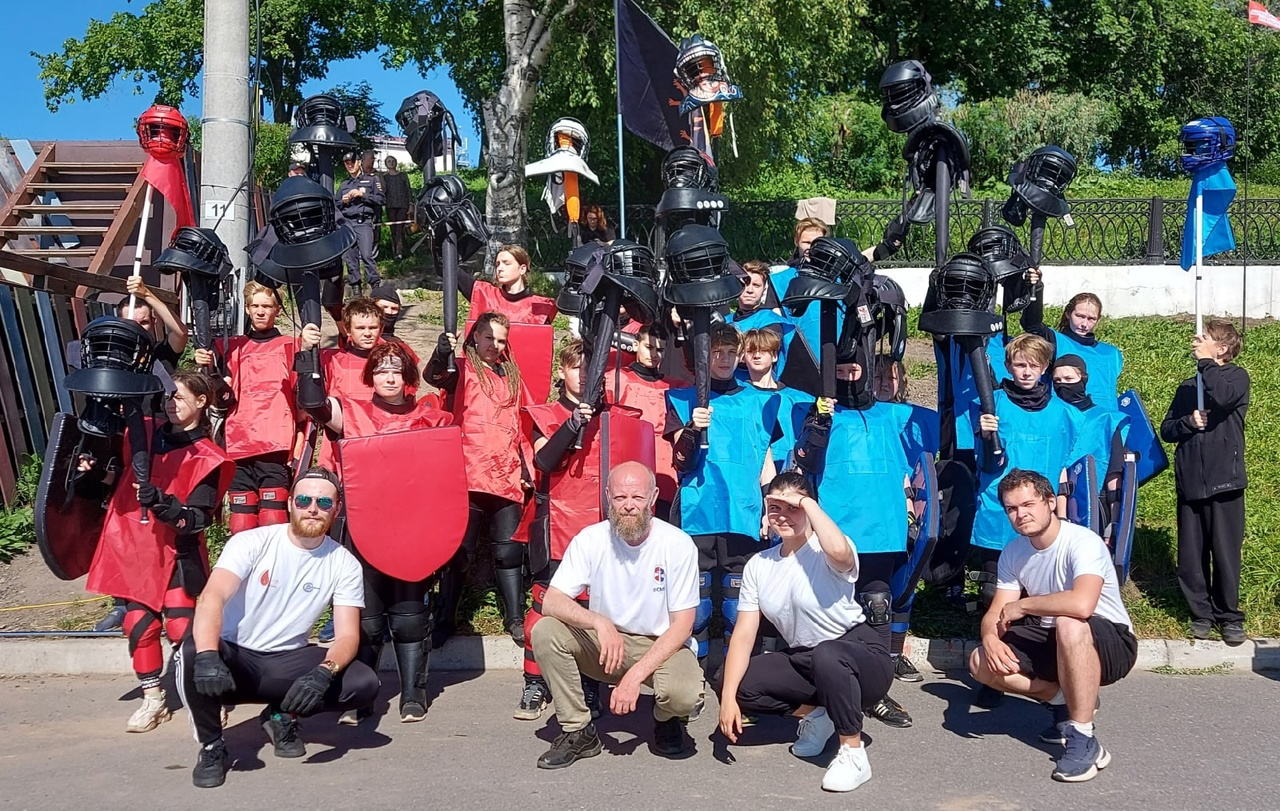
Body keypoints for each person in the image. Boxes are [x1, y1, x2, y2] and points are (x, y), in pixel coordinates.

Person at [174, 467, 379, 789]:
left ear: (337, 509)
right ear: (290, 503)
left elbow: (348, 635)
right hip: (235, 658)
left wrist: (324, 672)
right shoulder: (251, 542)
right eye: (304, 500)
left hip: (287, 661)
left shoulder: (344, 563)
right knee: (191, 652)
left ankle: (281, 715)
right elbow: (212, 596)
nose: (313, 508)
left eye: (324, 502)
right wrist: (209, 654)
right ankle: (212, 745)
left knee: (363, 683)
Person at [295, 337, 453, 722]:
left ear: (408, 377)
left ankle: (413, 695)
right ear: (371, 376)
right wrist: (310, 356)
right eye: (381, 370)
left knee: (410, 616)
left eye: (396, 370)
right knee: (365, 618)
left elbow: (444, 477)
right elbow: (314, 404)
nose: (389, 377)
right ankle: (359, 696)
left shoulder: (431, 418)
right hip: (363, 528)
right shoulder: (350, 412)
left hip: (413, 531)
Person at [718, 472, 893, 793]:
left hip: (861, 657)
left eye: (793, 508)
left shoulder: (825, 548)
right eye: (775, 507)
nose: (783, 515)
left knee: (828, 654)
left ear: (809, 507)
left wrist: (807, 503)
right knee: (732, 680)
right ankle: (821, 716)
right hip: (807, 659)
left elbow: (839, 552)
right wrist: (728, 698)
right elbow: (743, 634)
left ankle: (853, 752)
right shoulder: (759, 564)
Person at [82, 371, 235, 732]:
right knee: (138, 624)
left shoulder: (209, 457)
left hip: (178, 553)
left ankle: (208, 696)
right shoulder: (143, 435)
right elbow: (122, 484)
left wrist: (163, 503)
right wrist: (96, 473)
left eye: (179, 397)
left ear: (201, 402)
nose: (170, 403)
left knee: (184, 628)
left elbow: (197, 519)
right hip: (137, 550)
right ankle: (154, 700)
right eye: (168, 396)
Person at [529, 462, 704, 769]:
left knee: (685, 695)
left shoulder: (677, 544)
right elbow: (553, 600)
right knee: (545, 630)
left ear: (654, 497)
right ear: (608, 496)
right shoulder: (590, 539)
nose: (628, 506)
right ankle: (577, 730)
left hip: (660, 643)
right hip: (606, 645)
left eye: (637, 497)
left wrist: (633, 678)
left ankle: (667, 719)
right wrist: (598, 622)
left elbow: (682, 626)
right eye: (620, 497)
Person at [967, 468, 1137, 783]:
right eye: (1012, 508)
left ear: (1050, 502)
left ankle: (1083, 738)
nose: (1020, 514)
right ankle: (1064, 702)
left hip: (1110, 641)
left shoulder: (1082, 542)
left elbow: (1082, 604)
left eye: (1028, 504)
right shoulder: (1014, 551)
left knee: (1070, 623)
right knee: (980, 662)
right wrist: (989, 637)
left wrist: (1024, 605)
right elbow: (996, 612)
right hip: (1054, 638)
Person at [793, 354, 916, 727]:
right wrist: (819, 423)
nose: (848, 377)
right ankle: (827, 688)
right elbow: (806, 460)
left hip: (881, 528)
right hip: (837, 527)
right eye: (841, 372)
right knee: (832, 609)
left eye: (854, 371)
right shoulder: (816, 414)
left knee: (878, 607)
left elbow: (909, 468)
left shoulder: (892, 415)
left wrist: (911, 511)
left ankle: (876, 691)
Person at [664, 324, 780, 681]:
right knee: (696, 607)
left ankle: (735, 680)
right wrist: (692, 428)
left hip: (743, 512)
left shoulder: (760, 401)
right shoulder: (683, 399)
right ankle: (692, 677)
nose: (725, 359)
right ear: (704, 357)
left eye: (731, 352)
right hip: (697, 509)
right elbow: (679, 460)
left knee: (737, 605)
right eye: (717, 352)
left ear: (740, 354)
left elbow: (765, 459)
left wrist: (771, 505)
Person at [88, 277, 190, 632]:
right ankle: (123, 601)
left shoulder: (160, 356)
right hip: (126, 447)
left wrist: (148, 295)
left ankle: (165, 595)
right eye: (131, 324)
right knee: (122, 525)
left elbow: (180, 333)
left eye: (145, 323)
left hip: (163, 449)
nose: (139, 329)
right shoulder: (111, 364)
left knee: (160, 525)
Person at [426, 311, 533, 647]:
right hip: (468, 472)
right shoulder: (462, 368)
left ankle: (514, 617)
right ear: (475, 336)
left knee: (509, 552)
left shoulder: (512, 376)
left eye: (501, 340)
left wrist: (527, 468)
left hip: (505, 473)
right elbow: (435, 376)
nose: (495, 345)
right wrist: (442, 352)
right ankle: (445, 618)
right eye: (489, 337)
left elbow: (521, 425)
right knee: (461, 552)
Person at [515, 340, 608, 721]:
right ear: (561, 371)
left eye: (590, 369)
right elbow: (544, 460)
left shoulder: (612, 419)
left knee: (592, 610)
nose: (583, 375)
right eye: (575, 367)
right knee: (543, 607)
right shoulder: (543, 413)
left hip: (600, 528)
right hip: (555, 523)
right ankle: (535, 682)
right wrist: (573, 424)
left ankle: (590, 685)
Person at [971, 333, 1084, 608]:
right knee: (994, 591)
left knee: (1039, 590)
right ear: (1008, 366)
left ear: (1044, 368)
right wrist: (984, 435)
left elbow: (1067, 469)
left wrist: (1063, 513)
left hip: (1041, 512)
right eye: (1020, 365)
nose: (1026, 372)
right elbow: (983, 462)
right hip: (999, 510)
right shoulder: (990, 404)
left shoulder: (1066, 414)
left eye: (1034, 365)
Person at [1160, 320, 1250, 644]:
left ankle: (1229, 616)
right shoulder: (1189, 387)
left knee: (1225, 553)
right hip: (1191, 481)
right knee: (1191, 555)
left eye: (1206, 338)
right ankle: (1201, 614)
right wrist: (1188, 421)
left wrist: (1206, 364)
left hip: (1225, 479)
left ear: (1222, 348)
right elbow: (1167, 429)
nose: (1197, 341)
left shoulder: (1236, 377)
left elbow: (1223, 398)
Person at [194, 281, 299, 537]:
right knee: (241, 523)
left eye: (267, 306)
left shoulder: (292, 345)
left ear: (277, 310)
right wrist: (204, 363)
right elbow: (213, 394)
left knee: (273, 518)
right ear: (247, 309)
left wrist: (300, 442)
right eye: (255, 306)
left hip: (276, 442)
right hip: (237, 441)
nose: (260, 311)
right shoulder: (228, 346)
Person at [614, 324, 677, 519]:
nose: (654, 354)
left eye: (660, 349)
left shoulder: (674, 387)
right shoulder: (616, 379)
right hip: (627, 459)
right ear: (636, 345)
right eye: (649, 347)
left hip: (665, 465)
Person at [738, 327, 811, 469]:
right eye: (751, 351)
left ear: (774, 356)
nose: (756, 356)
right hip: (752, 470)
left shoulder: (801, 400)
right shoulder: (737, 398)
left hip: (791, 472)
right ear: (742, 357)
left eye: (763, 350)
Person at [337, 149, 385, 293]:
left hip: (363, 222)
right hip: (347, 224)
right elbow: (335, 205)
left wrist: (362, 195)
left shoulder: (371, 180)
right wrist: (343, 201)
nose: (350, 165)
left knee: (367, 255)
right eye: (347, 163)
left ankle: (375, 288)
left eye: (352, 162)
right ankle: (356, 291)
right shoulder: (344, 184)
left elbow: (381, 199)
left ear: (359, 162)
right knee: (350, 258)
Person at [381, 155, 413, 259]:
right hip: (390, 206)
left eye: (393, 161)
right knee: (393, 230)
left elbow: (408, 190)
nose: (391, 163)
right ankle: (397, 251)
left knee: (400, 228)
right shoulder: (384, 177)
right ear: (386, 164)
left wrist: (411, 204)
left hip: (403, 205)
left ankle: (399, 253)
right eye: (389, 161)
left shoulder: (403, 175)